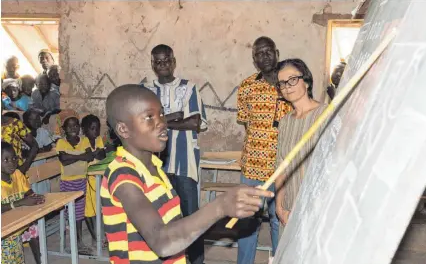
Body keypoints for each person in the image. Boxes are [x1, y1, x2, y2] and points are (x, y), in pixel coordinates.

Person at [102, 84, 272, 264]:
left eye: (161, 114)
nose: (161, 122)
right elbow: (161, 241)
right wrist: (220, 206)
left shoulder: (154, 167)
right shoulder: (124, 175)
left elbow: (178, 229)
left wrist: (228, 215)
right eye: (149, 117)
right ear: (124, 130)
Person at [142, 44, 208, 264]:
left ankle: (196, 262)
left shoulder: (189, 88)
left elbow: (195, 122)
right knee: (159, 219)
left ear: (173, 61)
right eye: (157, 61)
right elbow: (142, 124)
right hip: (153, 166)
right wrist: (174, 117)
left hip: (184, 164)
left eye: (166, 60)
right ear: (153, 63)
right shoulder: (145, 90)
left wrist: (159, 121)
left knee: (191, 219)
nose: (162, 65)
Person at [236, 36, 293, 264]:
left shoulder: (290, 83)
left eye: (268, 51)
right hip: (253, 168)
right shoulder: (247, 86)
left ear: (277, 52)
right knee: (248, 221)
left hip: (284, 169)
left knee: (280, 221)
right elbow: (247, 123)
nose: (264, 56)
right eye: (259, 54)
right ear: (254, 59)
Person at [274, 59, 329, 230]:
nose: (287, 86)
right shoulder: (284, 122)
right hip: (289, 210)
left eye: (292, 80)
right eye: (282, 83)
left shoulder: (326, 114)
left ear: (306, 81)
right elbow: (281, 167)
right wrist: (280, 207)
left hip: (318, 208)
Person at [55, 109, 96, 254]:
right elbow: (64, 161)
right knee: (71, 213)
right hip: (68, 182)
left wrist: (72, 156)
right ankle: (75, 242)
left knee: (79, 213)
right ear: (64, 129)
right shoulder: (61, 142)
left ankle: (78, 242)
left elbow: (89, 157)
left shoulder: (84, 140)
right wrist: (80, 156)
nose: (73, 128)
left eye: (76, 125)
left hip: (81, 181)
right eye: (69, 126)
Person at [1, 141, 45, 264]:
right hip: (4, 234)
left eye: (14, 158)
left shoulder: (17, 174)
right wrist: (19, 203)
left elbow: (27, 191)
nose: (12, 163)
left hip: (16, 227)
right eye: (6, 160)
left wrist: (33, 197)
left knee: (18, 259)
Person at [81, 114, 106, 247]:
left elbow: (102, 155)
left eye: (97, 128)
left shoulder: (99, 140)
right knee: (88, 211)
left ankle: (103, 235)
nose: (96, 131)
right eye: (92, 128)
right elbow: (89, 156)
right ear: (84, 130)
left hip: (98, 180)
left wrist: (95, 153)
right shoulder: (83, 141)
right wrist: (96, 153)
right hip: (87, 181)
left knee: (100, 208)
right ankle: (95, 236)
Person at [23, 109, 56, 194]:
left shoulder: (42, 131)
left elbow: (48, 147)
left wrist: (35, 151)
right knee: (33, 190)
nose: (37, 121)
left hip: (41, 167)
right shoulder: (22, 134)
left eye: (38, 118)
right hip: (29, 169)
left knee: (45, 190)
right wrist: (39, 150)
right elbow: (23, 153)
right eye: (33, 119)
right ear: (26, 121)